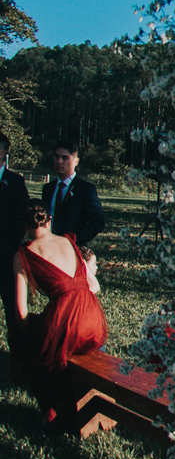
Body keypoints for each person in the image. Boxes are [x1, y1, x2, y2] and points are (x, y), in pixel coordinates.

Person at [13, 201, 108, 430]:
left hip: (66, 321)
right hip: (93, 318)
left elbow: (21, 310)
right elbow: (90, 283)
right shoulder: (69, 241)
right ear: (49, 221)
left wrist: (29, 335)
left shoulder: (23, 255)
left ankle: (53, 414)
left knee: (23, 343)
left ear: (25, 227)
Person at [0, 132, 30, 375]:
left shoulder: (16, 182)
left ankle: (19, 359)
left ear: (3, 153)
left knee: (12, 309)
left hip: (6, 257)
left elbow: (25, 216)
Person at [41, 140, 104, 246]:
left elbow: (98, 223)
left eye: (65, 158)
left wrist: (74, 240)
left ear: (76, 161)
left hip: (72, 249)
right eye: (57, 157)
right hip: (48, 247)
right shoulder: (48, 188)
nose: (59, 161)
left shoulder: (85, 189)